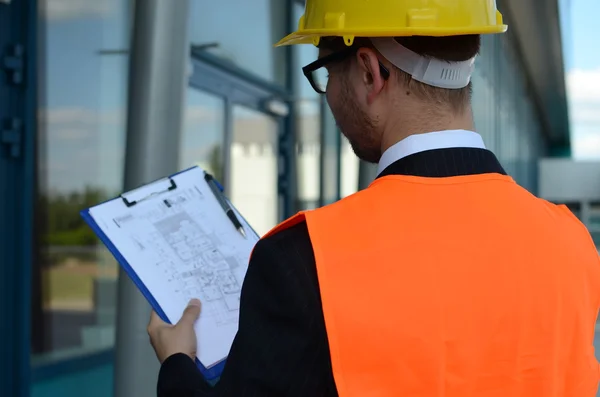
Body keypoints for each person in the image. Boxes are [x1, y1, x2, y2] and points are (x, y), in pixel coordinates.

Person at [147, 0, 600, 396]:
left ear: (369, 71)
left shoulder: (302, 260)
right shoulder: (573, 243)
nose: (328, 96)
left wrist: (176, 365)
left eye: (325, 71)